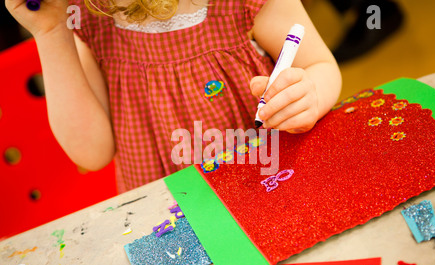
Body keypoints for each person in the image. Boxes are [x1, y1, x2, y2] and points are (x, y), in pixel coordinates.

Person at [5, 0, 342, 193]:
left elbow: (320, 66)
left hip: (269, 187)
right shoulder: (88, 16)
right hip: (167, 218)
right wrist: (51, 32)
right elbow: (92, 153)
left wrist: (310, 94)